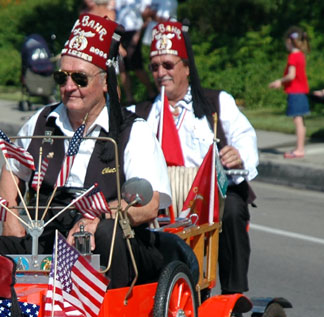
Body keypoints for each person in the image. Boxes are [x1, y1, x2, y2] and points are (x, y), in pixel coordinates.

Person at [0, 13, 171, 289]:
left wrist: (96, 218)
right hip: (48, 237)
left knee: (110, 233)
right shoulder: (41, 121)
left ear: (106, 82)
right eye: (62, 77)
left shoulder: (132, 131)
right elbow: (11, 167)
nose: (69, 86)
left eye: (80, 79)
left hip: (112, 245)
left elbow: (148, 205)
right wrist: (10, 215)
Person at [130, 20, 259, 295]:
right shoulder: (140, 113)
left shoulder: (216, 102)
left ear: (186, 68)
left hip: (211, 195)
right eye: (154, 67)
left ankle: (232, 298)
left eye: (168, 65)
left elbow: (245, 137)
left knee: (234, 210)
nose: (161, 73)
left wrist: (239, 155)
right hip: (162, 198)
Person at [269, 27, 310, 159]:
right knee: (301, 122)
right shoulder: (301, 55)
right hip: (302, 92)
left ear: (289, 41)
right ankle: (300, 147)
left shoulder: (293, 56)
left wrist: (279, 81)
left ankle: (299, 149)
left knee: (297, 121)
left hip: (295, 92)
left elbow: (291, 75)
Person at [115, 0, 156, 104]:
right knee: (122, 66)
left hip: (133, 32)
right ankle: (129, 98)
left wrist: (138, 34)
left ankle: (152, 93)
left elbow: (147, 17)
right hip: (120, 33)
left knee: (136, 65)